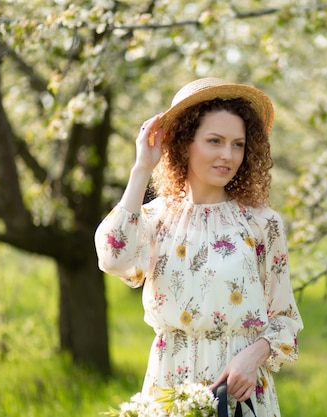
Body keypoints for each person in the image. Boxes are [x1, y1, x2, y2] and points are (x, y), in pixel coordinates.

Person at [94, 77, 303, 416]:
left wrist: (252, 357)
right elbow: (114, 257)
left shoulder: (262, 223)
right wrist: (142, 168)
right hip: (169, 382)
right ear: (184, 144)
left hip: (241, 390)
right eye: (215, 141)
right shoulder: (154, 218)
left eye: (238, 144)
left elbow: (285, 320)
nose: (228, 155)